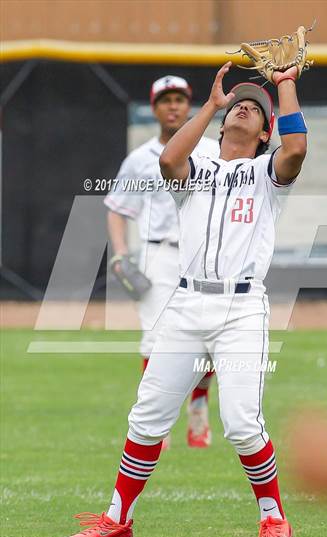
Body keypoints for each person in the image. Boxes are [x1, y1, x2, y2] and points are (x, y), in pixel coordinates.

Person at [61, 61, 307, 537]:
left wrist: (282, 85)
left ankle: (273, 518)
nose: (244, 106)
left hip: (241, 308)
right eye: (238, 103)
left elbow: (297, 148)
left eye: (254, 109)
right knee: (147, 417)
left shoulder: (266, 173)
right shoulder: (201, 166)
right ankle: (117, 521)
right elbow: (170, 161)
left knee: (241, 423)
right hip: (186, 300)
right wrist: (211, 106)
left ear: (265, 133)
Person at [105, 76, 219, 448]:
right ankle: (155, 421)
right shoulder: (140, 159)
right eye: (165, 100)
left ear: (189, 105)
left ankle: (198, 405)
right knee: (155, 339)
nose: (173, 106)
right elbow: (117, 210)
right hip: (159, 254)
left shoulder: (211, 150)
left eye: (179, 99)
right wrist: (121, 253)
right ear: (153, 109)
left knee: (209, 338)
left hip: (204, 256)